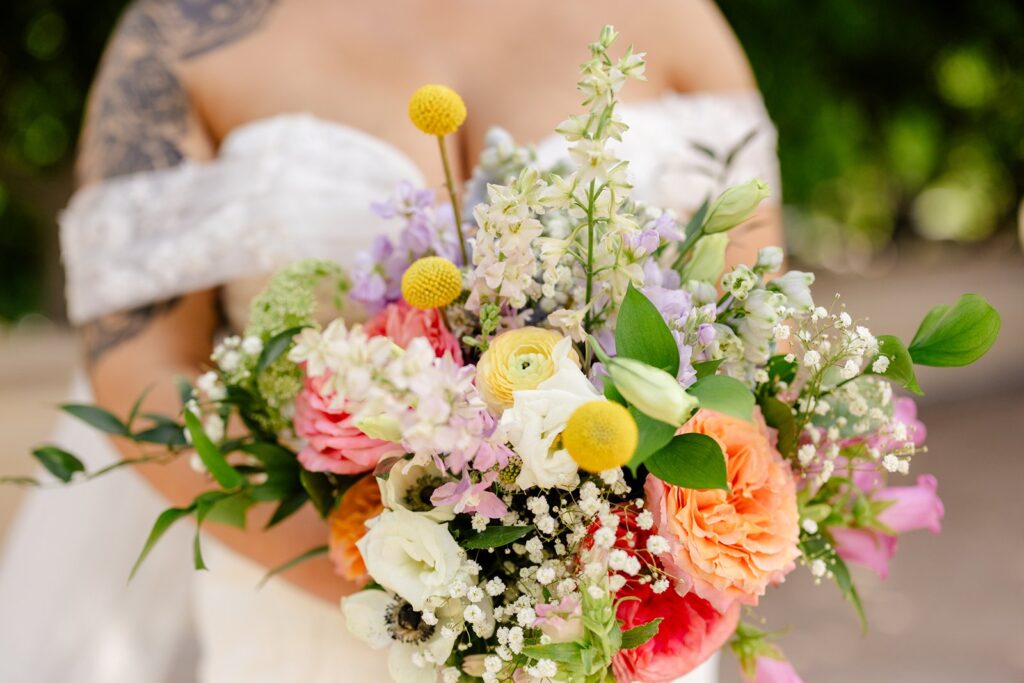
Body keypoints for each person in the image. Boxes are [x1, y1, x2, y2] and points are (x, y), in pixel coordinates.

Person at [0, 1, 781, 681]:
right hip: (315, 614)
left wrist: (596, 580)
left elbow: (752, 326)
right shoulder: (183, 32)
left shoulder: (674, 17)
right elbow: (142, 373)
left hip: (615, 627)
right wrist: (436, 597)